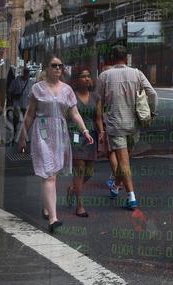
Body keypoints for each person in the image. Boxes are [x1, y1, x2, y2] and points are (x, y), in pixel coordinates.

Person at [18, 54, 93, 233]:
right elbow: (29, 115)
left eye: (60, 65)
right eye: (54, 65)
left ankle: (47, 207)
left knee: (53, 173)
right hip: (42, 131)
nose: (58, 68)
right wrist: (22, 137)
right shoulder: (37, 89)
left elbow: (74, 114)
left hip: (60, 133)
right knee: (49, 174)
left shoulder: (67, 90)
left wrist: (85, 130)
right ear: (47, 68)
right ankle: (53, 218)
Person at [96, 45, 158, 210]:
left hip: (115, 125)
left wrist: (100, 122)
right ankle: (124, 192)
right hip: (133, 125)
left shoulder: (104, 76)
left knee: (124, 162)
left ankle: (125, 193)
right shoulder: (137, 73)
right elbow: (152, 94)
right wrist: (152, 113)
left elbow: (98, 100)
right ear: (127, 58)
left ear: (111, 58)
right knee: (125, 161)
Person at [66, 69, 104, 217]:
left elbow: (98, 118)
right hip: (75, 135)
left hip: (91, 136)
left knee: (89, 172)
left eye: (88, 76)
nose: (87, 79)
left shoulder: (96, 97)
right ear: (76, 80)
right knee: (79, 170)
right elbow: (66, 116)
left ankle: (72, 188)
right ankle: (80, 206)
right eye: (83, 76)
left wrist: (101, 132)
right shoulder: (71, 97)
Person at [8, 67, 34, 144]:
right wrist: (14, 96)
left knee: (26, 122)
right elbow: (9, 92)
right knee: (15, 121)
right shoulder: (16, 81)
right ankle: (14, 135)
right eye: (25, 72)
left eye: (28, 73)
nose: (27, 74)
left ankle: (24, 137)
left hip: (27, 106)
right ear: (23, 73)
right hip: (17, 106)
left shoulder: (31, 83)